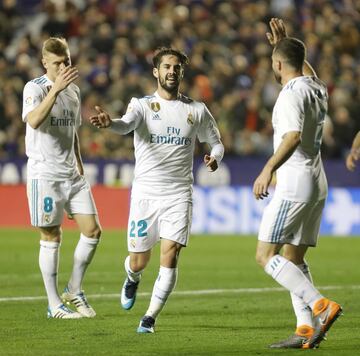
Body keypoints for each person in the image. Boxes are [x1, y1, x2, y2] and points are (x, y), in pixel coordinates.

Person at [89, 47, 224, 333]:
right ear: (156, 71)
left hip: (179, 194)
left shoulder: (196, 110)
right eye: (166, 67)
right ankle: (132, 277)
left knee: (171, 254)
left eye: (176, 67)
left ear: (182, 72)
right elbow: (125, 126)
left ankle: (149, 318)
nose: (171, 71)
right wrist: (108, 123)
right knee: (139, 260)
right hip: (146, 195)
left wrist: (216, 158)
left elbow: (217, 142)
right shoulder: (141, 105)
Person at [252, 19, 342, 349]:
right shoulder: (315, 86)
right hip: (317, 182)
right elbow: (304, 68)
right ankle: (306, 329)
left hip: (293, 183)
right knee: (293, 258)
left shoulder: (290, 95)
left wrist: (267, 170)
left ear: (276, 65)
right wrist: (286, 43)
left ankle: (321, 306)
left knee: (265, 255)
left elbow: (292, 137)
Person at [22, 37, 102, 319]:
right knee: (51, 235)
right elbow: (33, 120)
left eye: (66, 61)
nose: (64, 66)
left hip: (72, 174)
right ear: (45, 63)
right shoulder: (35, 88)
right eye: (57, 63)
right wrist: (55, 89)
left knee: (92, 231)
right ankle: (54, 303)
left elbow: (73, 131)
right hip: (45, 174)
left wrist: (80, 163)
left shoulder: (75, 91)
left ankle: (74, 289)